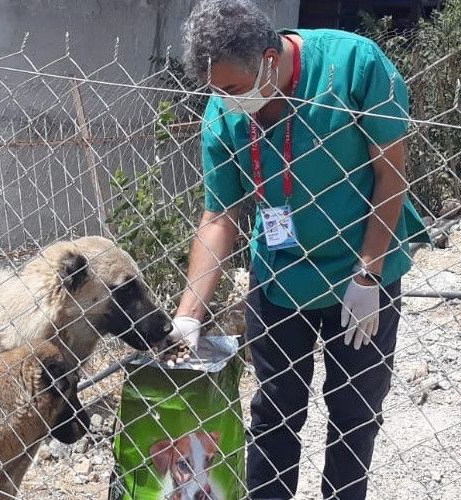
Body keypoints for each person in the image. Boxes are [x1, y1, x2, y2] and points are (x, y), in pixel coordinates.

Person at [170, 1, 430, 499]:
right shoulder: (224, 111)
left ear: (270, 59)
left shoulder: (354, 65)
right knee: (273, 414)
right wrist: (189, 316)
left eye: (232, 88)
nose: (224, 100)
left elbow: (390, 173)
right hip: (279, 276)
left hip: (360, 275)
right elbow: (219, 215)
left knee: (354, 412)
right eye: (215, 90)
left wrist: (368, 275)